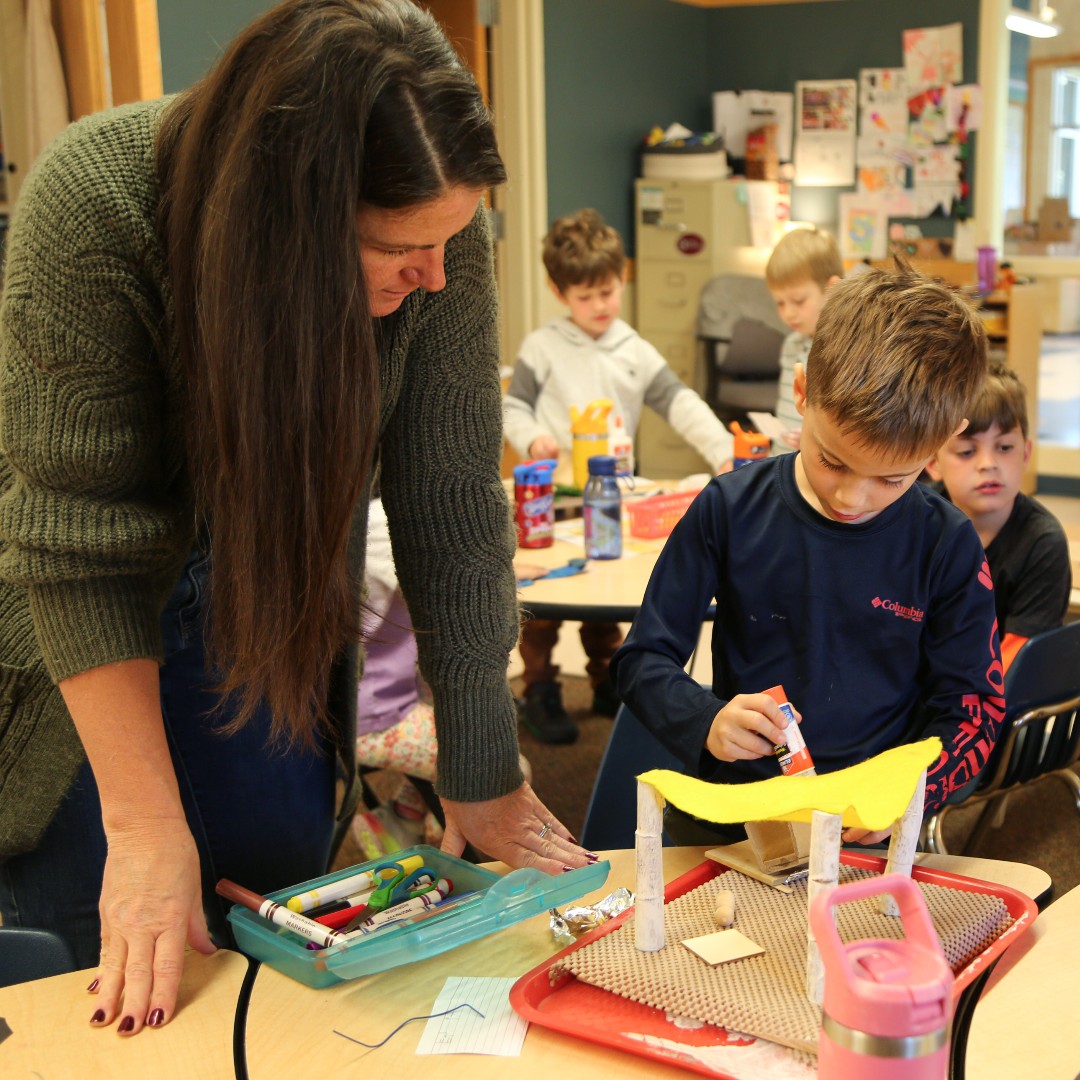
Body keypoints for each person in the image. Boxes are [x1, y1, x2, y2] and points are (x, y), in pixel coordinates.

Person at [0, 0, 591, 1038]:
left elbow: (451, 500)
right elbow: (80, 549)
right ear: (285, 229)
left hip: (263, 615)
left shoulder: (431, 218)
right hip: (84, 636)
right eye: (400, 249)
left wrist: (482, 764)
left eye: (455, 239)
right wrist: (141, 825)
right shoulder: (95, 203)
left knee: (276, 950)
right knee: (111, 965)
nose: (438, 277)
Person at [612, 261, 1004, 847]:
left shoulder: (945, 543)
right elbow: (642, 661)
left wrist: (913, 793)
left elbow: (973, 706)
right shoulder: (728, 508)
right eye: (833, 461)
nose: (852, 497)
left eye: (891, 480)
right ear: (801, 393)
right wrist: (706, 721)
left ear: (943, 443)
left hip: (869, 826)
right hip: (740, 815)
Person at [503, 208, 734, 744]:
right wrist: (533, 434)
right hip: (557, 496)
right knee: (542, 606)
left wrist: (723, 450)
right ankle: (540, 688)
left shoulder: (633, 349)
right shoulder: (543, 348)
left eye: (607, 292)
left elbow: (680, 403)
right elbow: (511, 408)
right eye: (586, 297)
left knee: (601, 590)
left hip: (613, 496)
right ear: (559, 292)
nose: (600, 306)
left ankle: (608, 680)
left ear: (621, 279)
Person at [354, 498, 532, 848]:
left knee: (450, 716)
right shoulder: (383, 529)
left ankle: (403, 819)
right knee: (503, 767)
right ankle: (459, 857)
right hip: (372, 720)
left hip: (364, 705)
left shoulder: (365, 526)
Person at [926, 362, 1070, 671]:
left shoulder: (1042, 542)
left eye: (1004, 447)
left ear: (1026, 454)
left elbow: (1018, 658)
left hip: (992, 698)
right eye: (967, 452)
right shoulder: (917, 522)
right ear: (932, 462)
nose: (988, 464)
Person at [764, 227, 843, 453]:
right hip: (783, 462)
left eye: (798, 301)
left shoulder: (846, 349)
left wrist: (816, 441)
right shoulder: (792, 344)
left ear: (831, 289)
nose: (788, 313)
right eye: (780, 303)